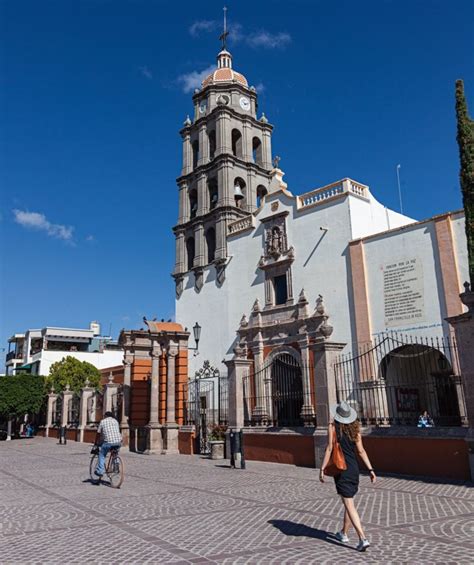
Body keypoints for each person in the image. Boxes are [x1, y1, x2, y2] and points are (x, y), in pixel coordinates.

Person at [319, 401, 376, 552]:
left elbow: (329, 449)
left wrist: (322, 468)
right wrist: (370, 469)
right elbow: (362, 451)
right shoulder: (355, 429)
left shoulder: (332, 428)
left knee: (349, 504)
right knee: (348, 501)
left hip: (341, 469)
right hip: (354, 470)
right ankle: (343, 533)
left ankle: (362, 538)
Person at [94, 411, 122, 479]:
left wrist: (96, 442)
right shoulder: (115, 421)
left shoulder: (103, 421)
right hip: (118, 441)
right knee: (115, 452)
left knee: (102, 455)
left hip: (108, 442)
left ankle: (100, 471)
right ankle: (116, 465)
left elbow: (98, 433)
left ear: (105, 416)